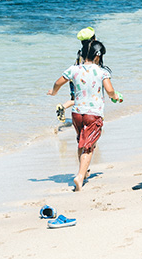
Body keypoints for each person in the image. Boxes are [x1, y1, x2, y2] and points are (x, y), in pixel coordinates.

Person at [46, 39, 122, 191]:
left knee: (81, 141)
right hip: (93, 114)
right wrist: (116, 97)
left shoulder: (74, 69)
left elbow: (58, 82)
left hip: (77, 113)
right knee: (89, 146)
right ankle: (80, 177)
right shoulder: (102, 72)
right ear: (98, 57)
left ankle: (84, 170)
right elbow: (110, 91)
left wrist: (53, 92)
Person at [55, 26, 98, 121]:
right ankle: (65, 108)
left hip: (73, 77)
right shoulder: (91, 52)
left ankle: (65, 108)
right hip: (81, 78)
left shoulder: (81, 51)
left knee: (76, 98)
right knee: (80, 98)